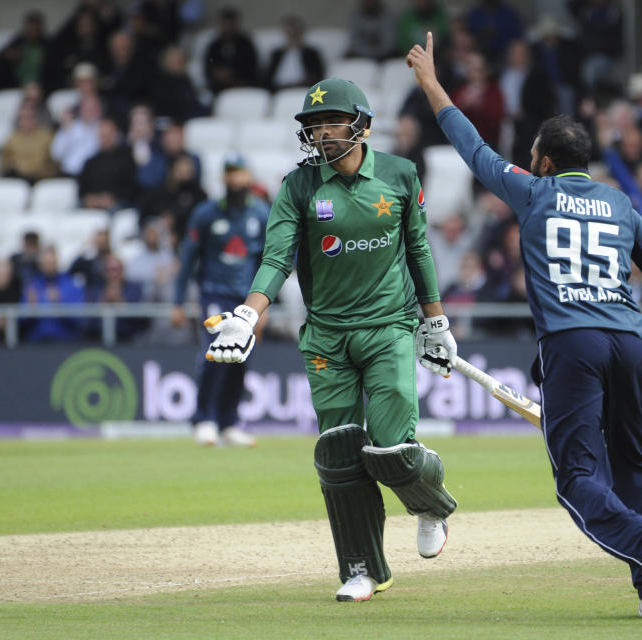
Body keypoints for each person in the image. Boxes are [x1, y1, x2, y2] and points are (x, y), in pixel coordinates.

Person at [407, 32, 642, 619]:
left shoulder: (533, 192)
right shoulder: (619, 204)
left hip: (572, 341)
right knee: (634, 461)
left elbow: (471, 146)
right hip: (628, 340)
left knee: (577, 477)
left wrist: (432, 83)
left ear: (542, 161)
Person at [201, 77, 457, 603]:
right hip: (326, 338)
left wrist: (435, 323)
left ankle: (432, 502)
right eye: (312, 126)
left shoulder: (400, 175)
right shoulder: (298, 186)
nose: (320, 134)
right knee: (340, 453)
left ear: (361, 124)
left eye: (329, 122)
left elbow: (419, 251)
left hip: (388, 328)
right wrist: (247, 316)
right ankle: (362, 569)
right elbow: (275, 259)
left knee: (390, 451)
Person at [171, 153, 268, 448]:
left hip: (247, 300)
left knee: (240, 358)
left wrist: (264, 307)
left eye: (238, 173)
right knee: (216, 351)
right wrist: (177, 302)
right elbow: (187, 260)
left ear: (248, 177)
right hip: (214, 292)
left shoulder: (261, 214)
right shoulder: (206, 213)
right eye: (229, 173)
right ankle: (203, 420)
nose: (234, 179)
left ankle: (228, 423)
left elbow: (269, 262)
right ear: (223, 178)